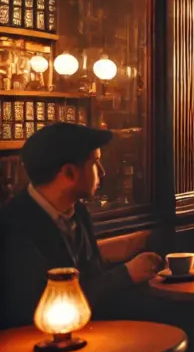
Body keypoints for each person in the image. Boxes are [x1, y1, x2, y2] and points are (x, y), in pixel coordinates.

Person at [0, 123, 163, 328]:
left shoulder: (78, 213)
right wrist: (126, 274)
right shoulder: (13, 226)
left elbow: (93, 277)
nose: (102, 172)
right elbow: (48, 304)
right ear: (69, 173)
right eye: (95, 163)